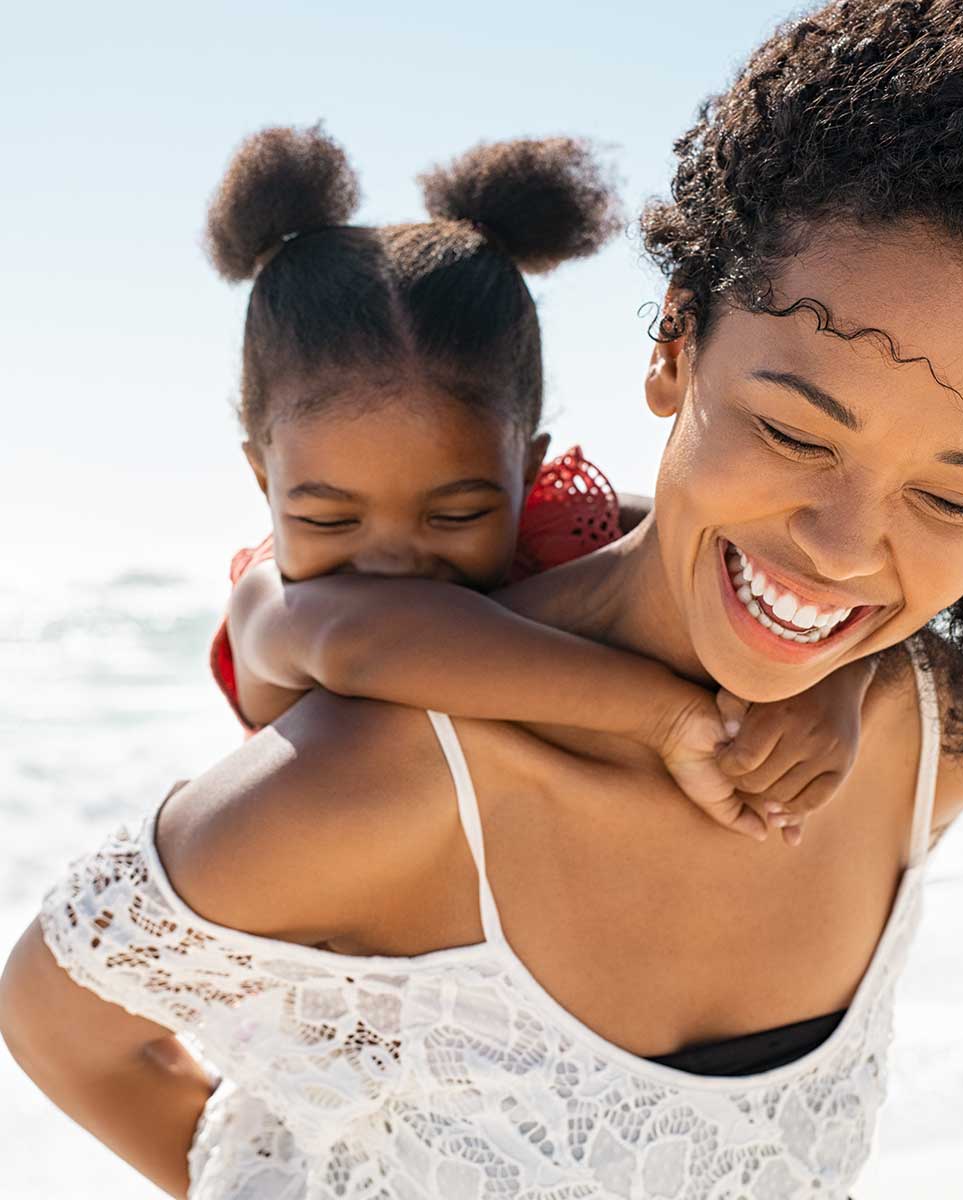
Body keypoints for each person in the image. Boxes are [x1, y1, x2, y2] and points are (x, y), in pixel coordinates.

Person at [1, 2, 963, 1197]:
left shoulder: (934, 747)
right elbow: (60, 1019)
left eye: (954, 493)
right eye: (792, 429)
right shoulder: (384, 779)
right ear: (673, 346)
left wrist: (836, 677)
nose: (843, 546)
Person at [200, 123, 879, 841]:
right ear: (261, 475)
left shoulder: (559, 523)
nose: (394, 560)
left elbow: (763, 556)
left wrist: (839, 676)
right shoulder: (271, 604)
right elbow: (363, 638)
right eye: (331, 521)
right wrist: (669, 717)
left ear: (526, 468)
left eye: (456, 515)